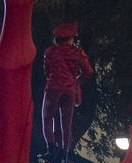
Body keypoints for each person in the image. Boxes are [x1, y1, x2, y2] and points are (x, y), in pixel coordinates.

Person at [40, 23, 93, 153]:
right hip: (70, 89)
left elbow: (47, 72)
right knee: (66, 123)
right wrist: (77, 80)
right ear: (71, 38)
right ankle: (66, 151)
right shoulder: (78, 52)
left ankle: (51, 148)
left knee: (47, 118)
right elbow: (88, 71)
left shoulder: (50, 52)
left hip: (53, 88)